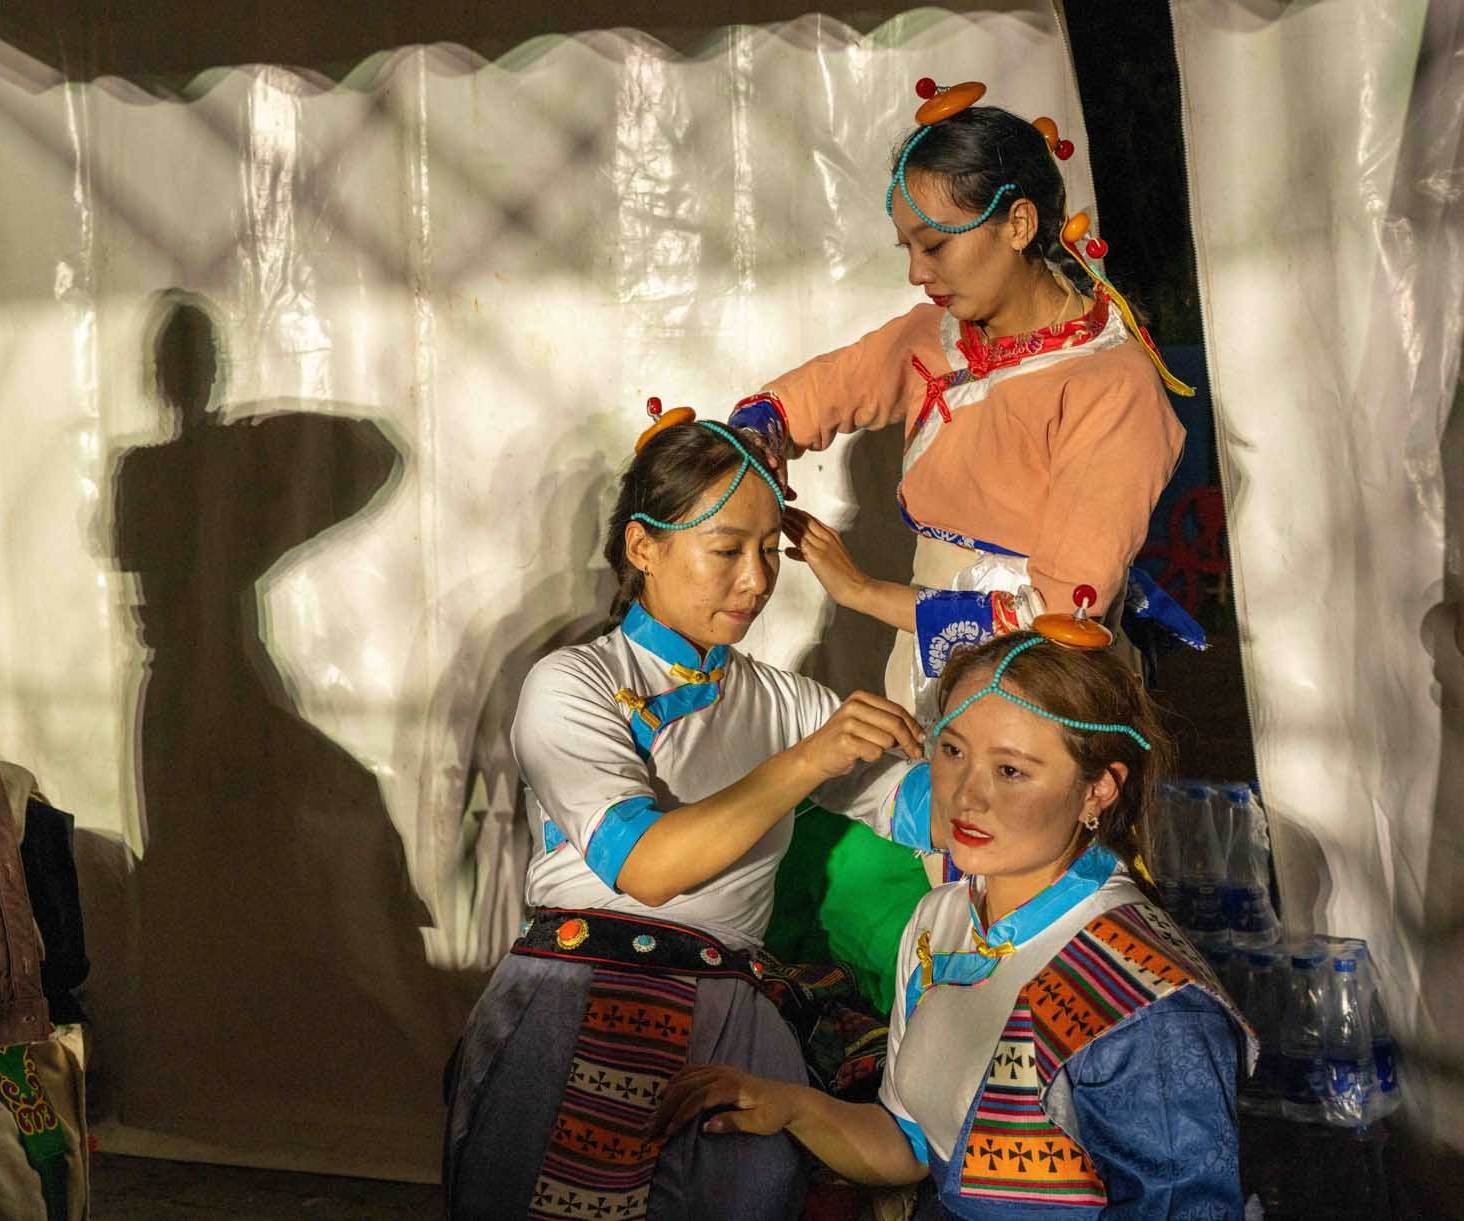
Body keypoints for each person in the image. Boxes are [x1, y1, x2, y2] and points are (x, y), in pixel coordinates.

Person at [442, 406, 937, 1220]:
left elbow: (938, 814)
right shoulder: (573, 685)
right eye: (728, 550)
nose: (757, 580)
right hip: (576, 998)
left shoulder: (784, 701)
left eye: (771, 551)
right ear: (644, 547)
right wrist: (808, 759)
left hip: (733, 1022)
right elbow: (648, 868)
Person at [655, 626, 1252, 1217]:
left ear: (1098, 789)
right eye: (953, 750)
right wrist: (793, 1106)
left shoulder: (1146, 1001)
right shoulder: (940, 922)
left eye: (1011, 771)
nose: (966, 796)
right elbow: (912, 1146)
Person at [727, 79, 1202, 715]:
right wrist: (759, 437)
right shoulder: (938, 335)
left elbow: (1053, 618)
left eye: (936, 245)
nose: (917, 273)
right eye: (909, 248)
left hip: (1043, 684)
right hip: (928, 657)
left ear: (1019, 223)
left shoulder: (1109, 385)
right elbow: (816, 394)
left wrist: (864, 592)